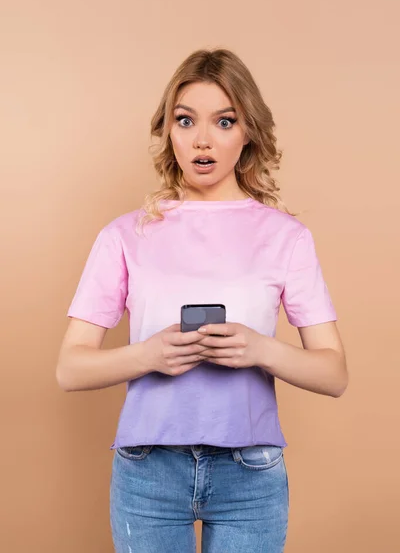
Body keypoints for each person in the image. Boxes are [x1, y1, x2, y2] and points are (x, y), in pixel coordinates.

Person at [56, 48, 348, 553]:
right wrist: (148, 356)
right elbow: (69, 368)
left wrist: (260, 350)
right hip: (148, 472)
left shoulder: (287, 237)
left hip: (250, 475)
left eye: (224, 121)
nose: (203, 140)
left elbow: (334, 374)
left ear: (248, 131)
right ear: (169, 131)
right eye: (185, 120)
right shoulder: (125, 235)